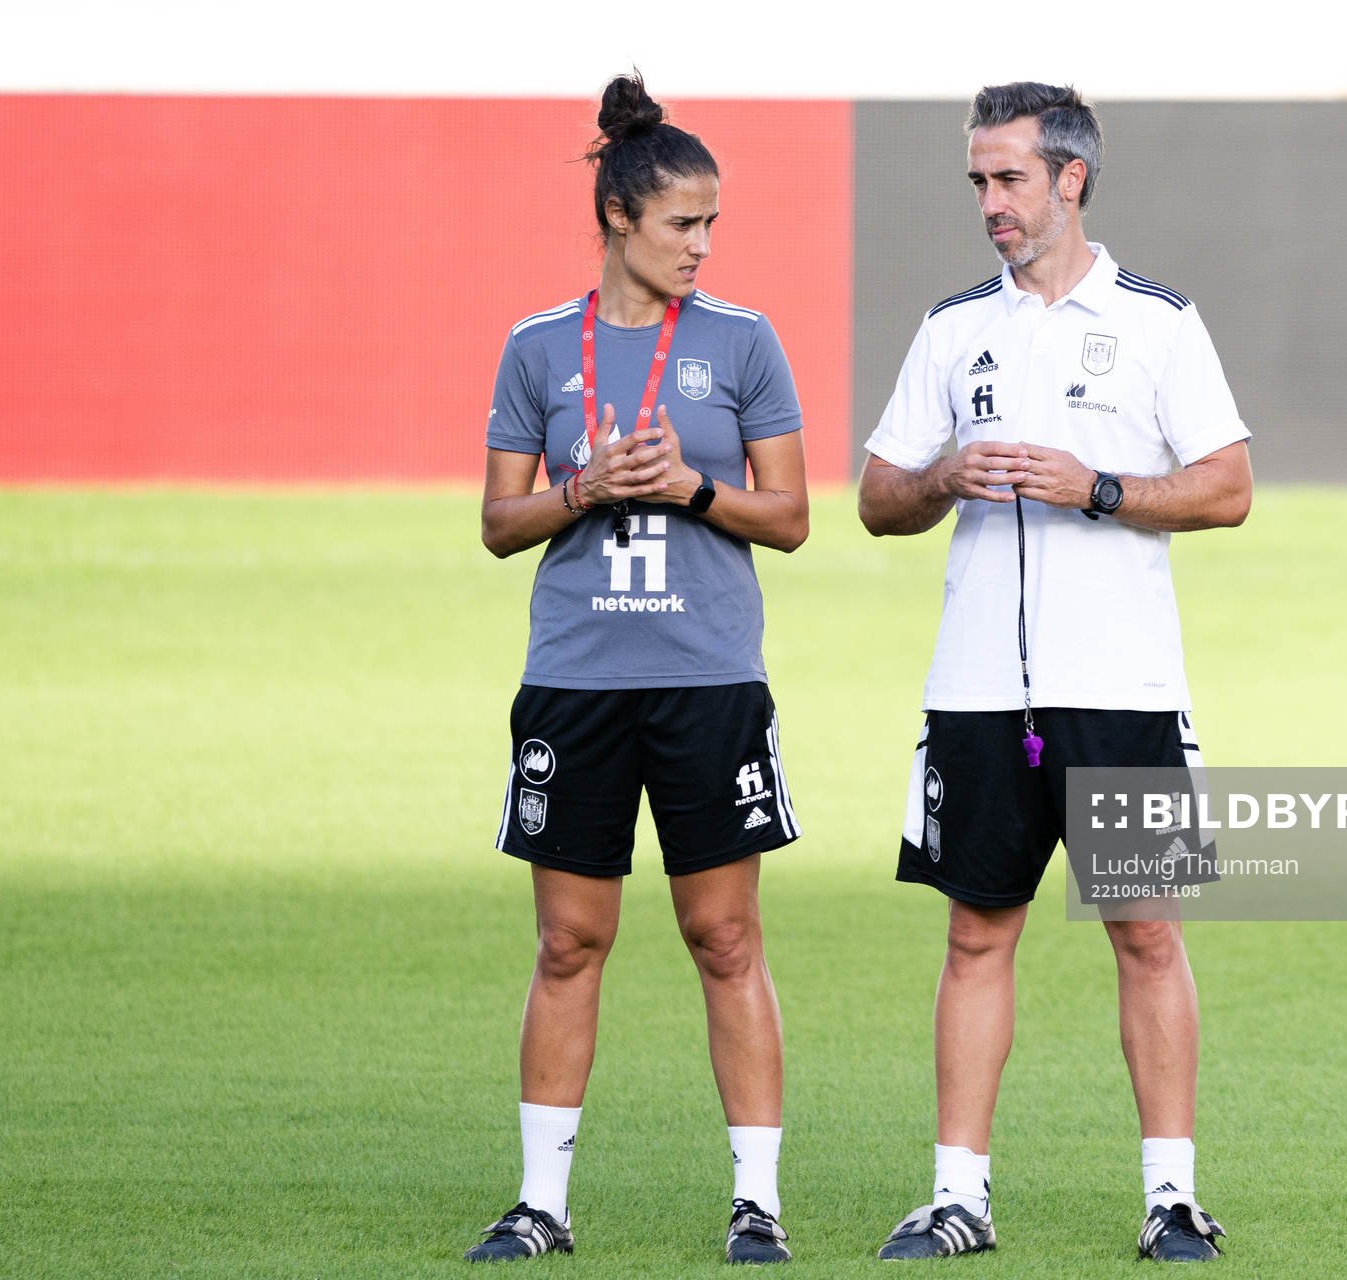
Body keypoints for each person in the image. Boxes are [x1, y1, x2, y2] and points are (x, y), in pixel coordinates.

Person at [857, 82, 1252, 1263]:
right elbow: (878, 496)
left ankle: (1172, 1197)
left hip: (1121, 686)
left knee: (1145, 932)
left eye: (1009, 179)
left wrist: (1102, 488)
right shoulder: (951, 329)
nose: (989, 202)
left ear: (1071, 178)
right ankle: (958, 1194)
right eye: (978, 180)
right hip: (978, 688)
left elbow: (1228, 485)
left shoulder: (1159, 322)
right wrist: (941, 480)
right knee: (977, 935)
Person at [465, 73, 807, 1266]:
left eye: (712, 224)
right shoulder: (536, 350)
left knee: (725, 935)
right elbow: (502, 526)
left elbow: (794, 515)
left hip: (708, 679)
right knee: (568, 940)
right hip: (577, 682)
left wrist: (691, 490)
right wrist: (585, 489)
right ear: (619, 218)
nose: (702, 246)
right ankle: (540, 1204)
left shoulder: (744, 341)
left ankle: (755, 1202)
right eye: (681, 224)